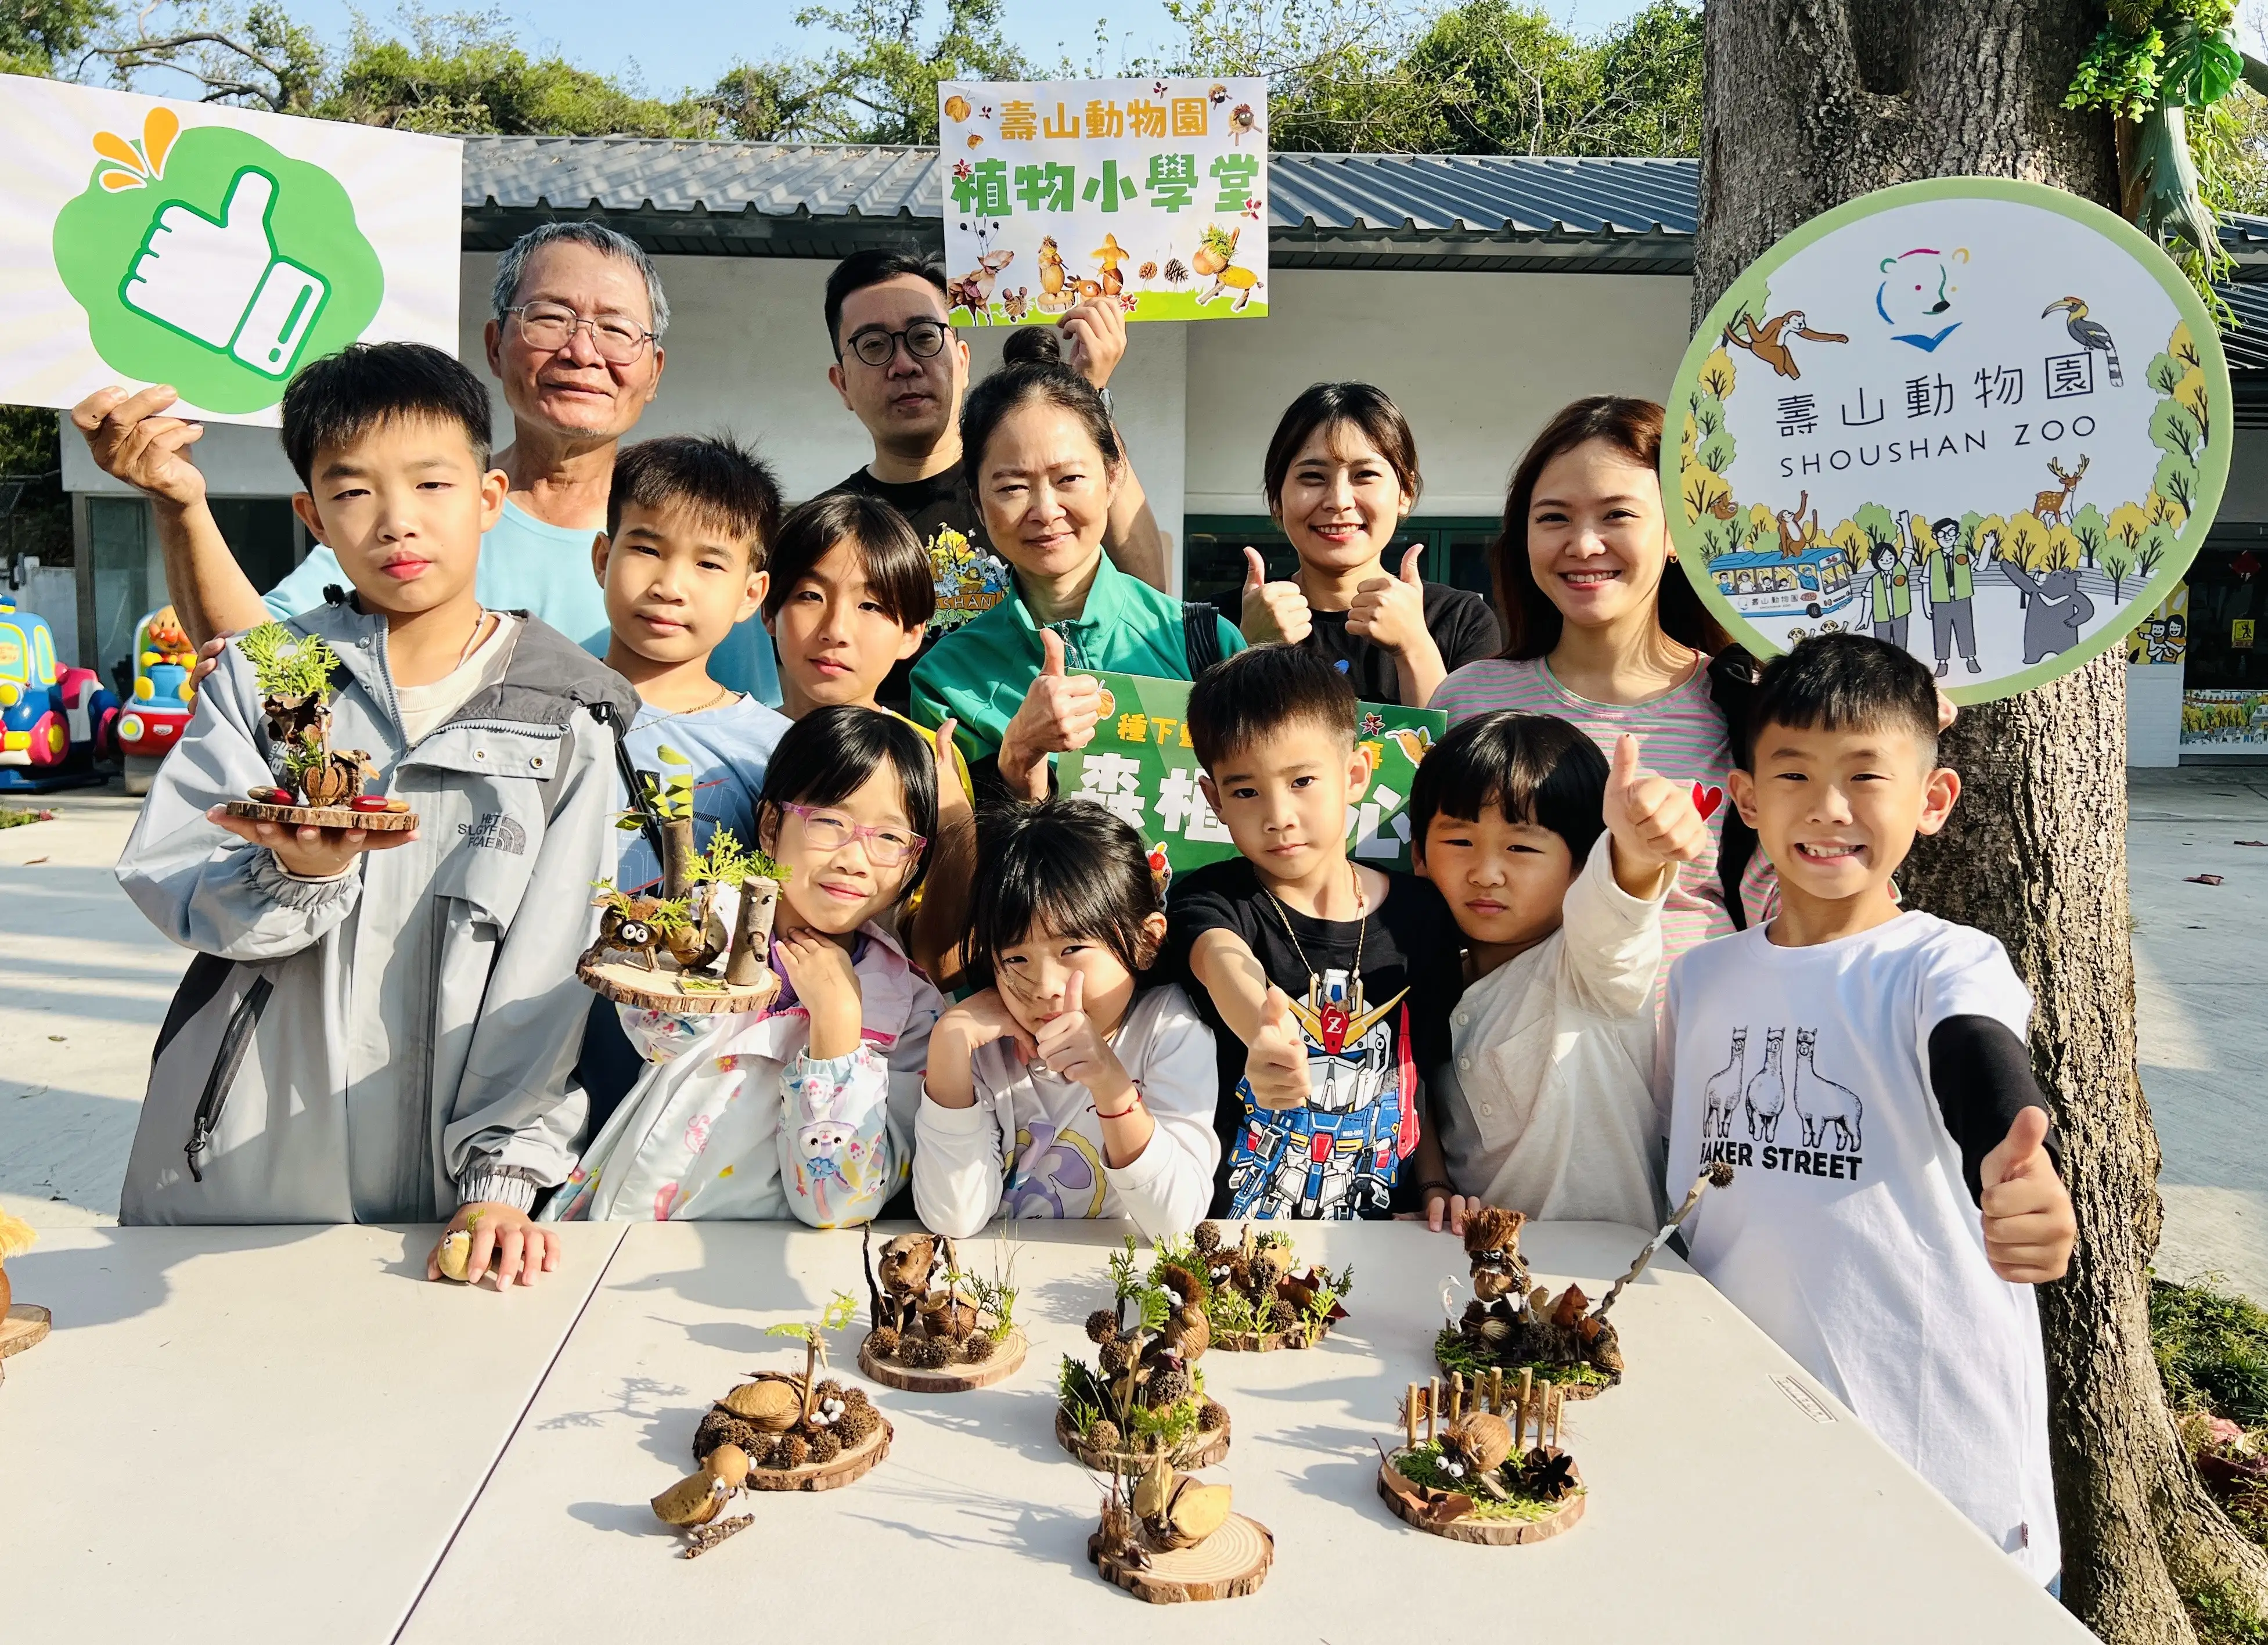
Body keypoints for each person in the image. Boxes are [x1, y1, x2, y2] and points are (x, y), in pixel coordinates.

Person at [113, 342, 637, 1290]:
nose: (397, 521)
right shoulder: (282, 673)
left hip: (451, 1193)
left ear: (488, 498)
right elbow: (177, 865)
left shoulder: (568, 713)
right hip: (243, 1160)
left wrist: (501, 1178)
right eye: (352, 492)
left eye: (432, 483)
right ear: (312, 516)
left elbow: (551, 971)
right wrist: (297, 874)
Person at [1662, 632, 2075, 1587]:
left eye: (1865, 775)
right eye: (1795, 772)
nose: (1828, 807)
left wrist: (2016, 1167)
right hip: (1751, 1462)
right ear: (1748, 798)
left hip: (1944, 1481)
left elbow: (1976, 1052)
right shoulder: (1702, 978)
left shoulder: (1943, 960)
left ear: (1931, 800)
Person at [72, 222, 781, 701]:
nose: (582, 351)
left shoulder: (706, 548)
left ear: (653, 369)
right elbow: (263, 666)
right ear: (496, 343)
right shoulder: (424, 517)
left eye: (616, 329)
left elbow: (750, 726)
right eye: (550, 317)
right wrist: (178, 502)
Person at [550, 707, 943, 1223]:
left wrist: (838, 1025)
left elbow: (843, 1202)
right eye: (830, 821)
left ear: (913, 861)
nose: (856, 858)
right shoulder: (709, 926)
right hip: (624, 1232)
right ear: (771, 826)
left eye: (890, 837)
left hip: (771, 1275)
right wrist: (693, 929)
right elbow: (657, 1034)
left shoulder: (913, 1015)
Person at [1431, 397, 1770, 964]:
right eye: (1554, 517)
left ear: (1677, 534)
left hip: (1698, 1046)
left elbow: (1788, 900)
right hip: (1503, 1048)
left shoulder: (1744, 706)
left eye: (1617, 515)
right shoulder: (1468, 699)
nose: (1584, 544)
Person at [1166, 644, 1462, 1219]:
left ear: (1355, 774)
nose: (1278, 814)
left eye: (1302, 780)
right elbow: (1221, 959)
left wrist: (1434, 1186)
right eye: (1246, 791)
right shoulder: (1211, 897)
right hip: (1237, 1239)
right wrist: (1263, 1031)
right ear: (1214, 800)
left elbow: (1417, 1080)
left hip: (1388, 1233)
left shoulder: (1422, 915)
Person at [1409, 714, 1705, 1233]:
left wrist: (1635, 851)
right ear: (1418, 857)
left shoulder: (1588, 970)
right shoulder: (1423, 985)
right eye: (1459, 842)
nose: (1486, 872)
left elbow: (1617, 913)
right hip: (1481, 1294)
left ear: (1583, 863)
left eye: (1521, 847)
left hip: (1608, 1289)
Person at [574, 435, 794, 1131]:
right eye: (647, 549)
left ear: (750, 593)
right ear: (603, 557)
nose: (671, 584)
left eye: (708, 563)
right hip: (539, 1058)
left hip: (694, 1092)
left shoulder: (774, 753)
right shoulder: (538, 709)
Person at [910, 354, 1245, 798]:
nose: (1046, 511)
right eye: (1012, 487)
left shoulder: (1204, 642)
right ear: (977, 502)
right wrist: (1016, 757)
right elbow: (950, 851)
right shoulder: (945, 678)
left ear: (1112, 478)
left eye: (1069, 478)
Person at [913, 798, 1220, 1241]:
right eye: (1016, 957)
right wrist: (948, 1047)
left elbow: (1176, 1226)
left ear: (1148, 940)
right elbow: (952, 1218)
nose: (1044, 985)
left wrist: (1112, 1086)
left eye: (1071, 950)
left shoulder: (1169, 1031)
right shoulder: (982, 1046)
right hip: (999, 1289)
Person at [819, 250, 1167, 598]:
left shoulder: (1042, 496)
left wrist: (1090, 396)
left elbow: (1150, 600)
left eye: (924, 337)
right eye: (874, 345)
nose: (904, 364)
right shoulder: (823, 532)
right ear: (843, 384)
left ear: (962, 361)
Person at [762, 492, 974, 983]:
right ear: (768, 609)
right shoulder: (732, 740)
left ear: (912, 634)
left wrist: (958, 826)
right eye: (810, 595)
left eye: (872, 605)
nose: (836, 629)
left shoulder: (929, 758)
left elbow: (938, 959)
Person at [1236, 383, 1498, 706]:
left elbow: (1469, 754)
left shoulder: (1460, 620)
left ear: (1406, 492)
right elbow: (1182, 751)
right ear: (1277, 497)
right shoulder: (1223, 623)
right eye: (1313, 477)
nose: (1339, 501)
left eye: (1365, 475)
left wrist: (1414, 647)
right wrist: (1247, 650)